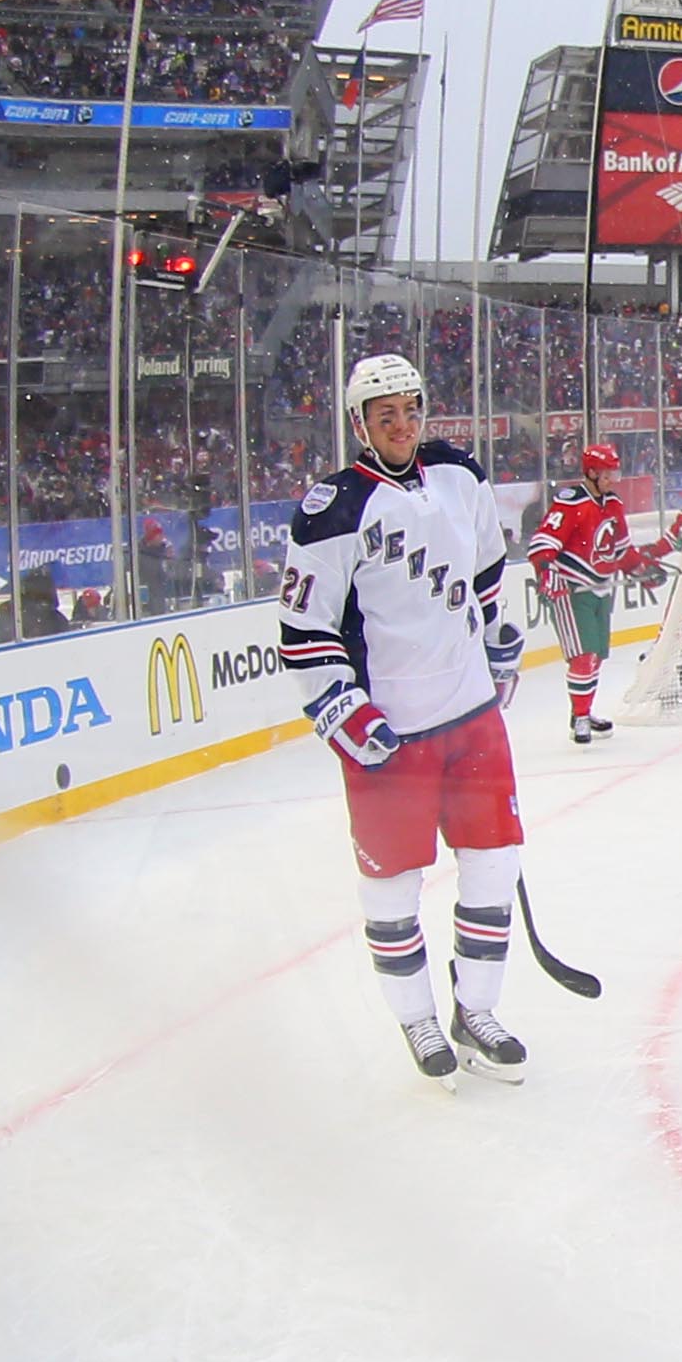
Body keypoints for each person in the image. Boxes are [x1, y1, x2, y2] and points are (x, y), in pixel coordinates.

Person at [277, 352, 529, 1084]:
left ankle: (474, 1009)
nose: (402, 425)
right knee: (392, 886)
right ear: (360, 424)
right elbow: (303, 627)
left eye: (411, 410)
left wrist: (495, 646)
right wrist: (341, 711)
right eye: (385, 415)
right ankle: (418, 1019)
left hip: (473, 716)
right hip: (392, 733)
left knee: (494, 863)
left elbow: (486, 572)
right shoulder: (334, 508)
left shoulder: (460, 475)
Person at [524, 442, 649, 745]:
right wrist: (547, 572)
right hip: (573, 590)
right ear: (591, 472)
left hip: (601, 590)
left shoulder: (614, 504)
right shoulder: (571, 502)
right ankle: (579, 718)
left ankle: (583, 710)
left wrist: (642, 572)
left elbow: (621, 550)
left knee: (596, 658)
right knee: (583, 657)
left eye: (614, 472)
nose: (612, 478)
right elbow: (542, 545)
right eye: (606, 472)